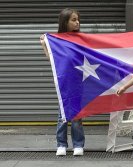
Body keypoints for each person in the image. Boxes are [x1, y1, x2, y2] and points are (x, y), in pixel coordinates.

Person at [40, 8, 85, 156]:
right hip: (64, 83)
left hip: (79, 82)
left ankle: (78, 144)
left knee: (77, 116)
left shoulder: (82, 39)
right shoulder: (57, 40)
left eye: (78, 19)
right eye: (73, 19)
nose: (77, 22)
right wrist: (45, 46)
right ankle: (61, 144)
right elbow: (53, 61)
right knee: (63, 115)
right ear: (65, 22)